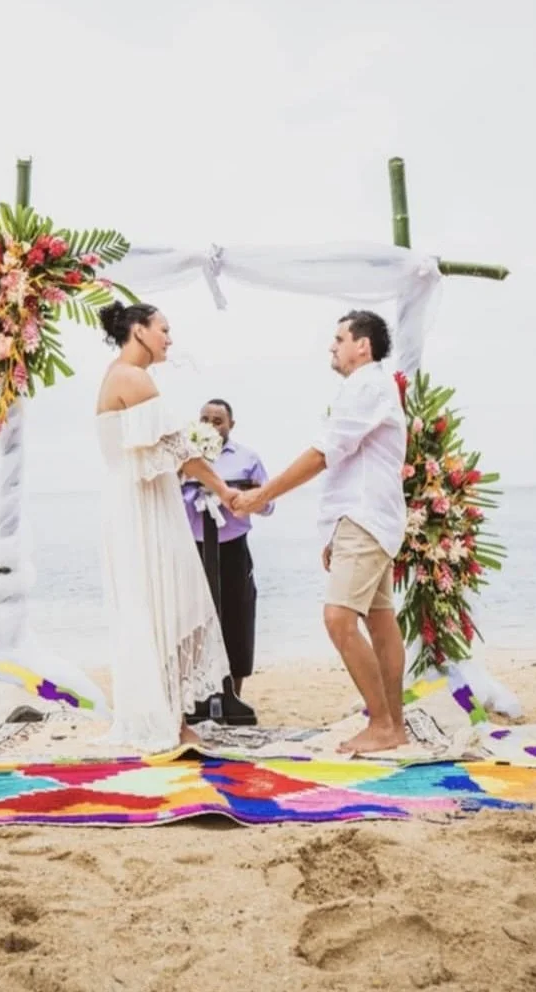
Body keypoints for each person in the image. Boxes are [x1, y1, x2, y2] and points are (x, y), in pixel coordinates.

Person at [234, 310, 409, 753]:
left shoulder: (367, 386)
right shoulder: (369, 388)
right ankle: (395, 725)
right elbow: (351, 463)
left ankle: (383, 723)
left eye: (339, 338)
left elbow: (323, 455)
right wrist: (334, 531)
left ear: (362, 345)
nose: (332, 347)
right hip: (369, 518)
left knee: (338, 620)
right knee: (381, 620)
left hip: (366, 518)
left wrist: (261, 495)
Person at [95, 300, 241, 751]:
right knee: (162, 601)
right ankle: (168, 721)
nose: (169, 339)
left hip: (141, 497)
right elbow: (180, 449)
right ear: (138, 330)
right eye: (163, 329)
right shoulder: (130, 376)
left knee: (162, 603)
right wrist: (225, 490)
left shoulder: (129, 375)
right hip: (141, 506)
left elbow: (161, 451)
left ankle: (171, 716)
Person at [182, 399, 274, 698]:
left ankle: (234, 693)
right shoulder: (184, 458)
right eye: (205, 418)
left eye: (218, 420)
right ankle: (197, 693)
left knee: (238, 615)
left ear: (231, 425)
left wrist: (246, 496)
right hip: (194, 548)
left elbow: (268, 504)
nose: (210, 424)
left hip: (233, 548)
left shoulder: (247, 458)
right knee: (194, 618)